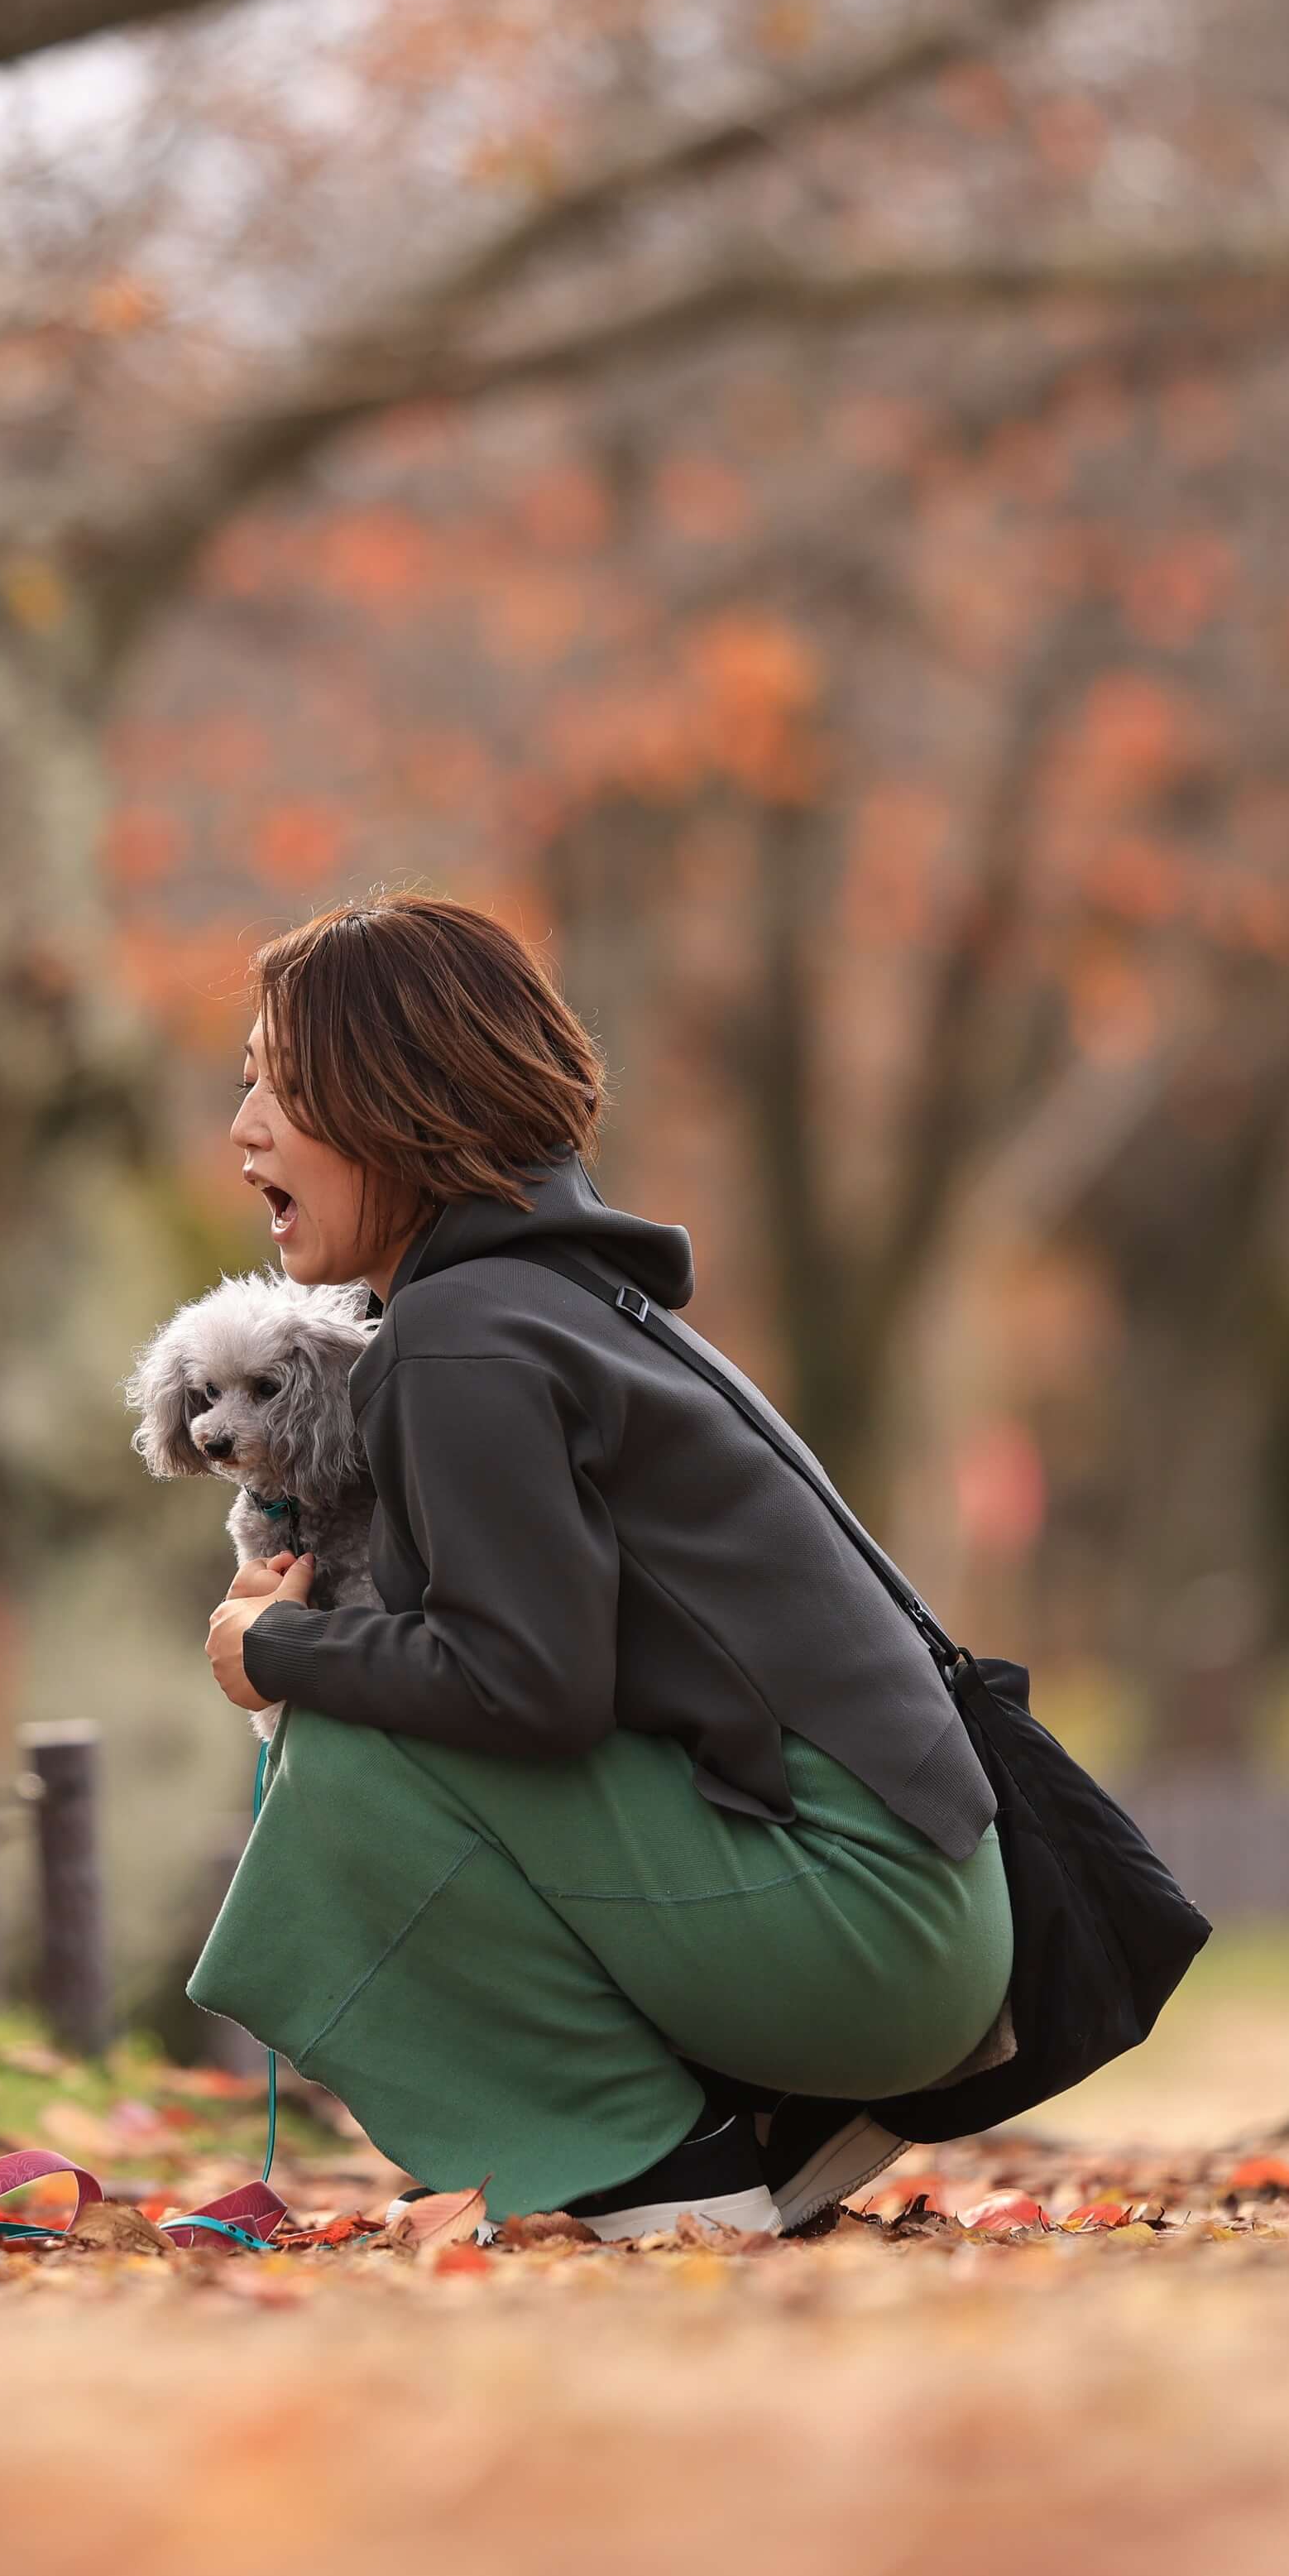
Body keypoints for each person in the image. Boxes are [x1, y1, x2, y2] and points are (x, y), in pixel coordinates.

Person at [193, 894, 1013, 2238]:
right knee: (374, 1704)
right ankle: (734, 2121)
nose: (243, 1130)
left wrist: (271, 1651)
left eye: (281, 1087)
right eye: (246, 1088)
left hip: (868, 1926)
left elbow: (528, 1685)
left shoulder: (462, 1337)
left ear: (393, 1100)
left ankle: (662, 2169)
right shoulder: (553, 1297)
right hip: (918, 1911)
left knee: (349, 1745)